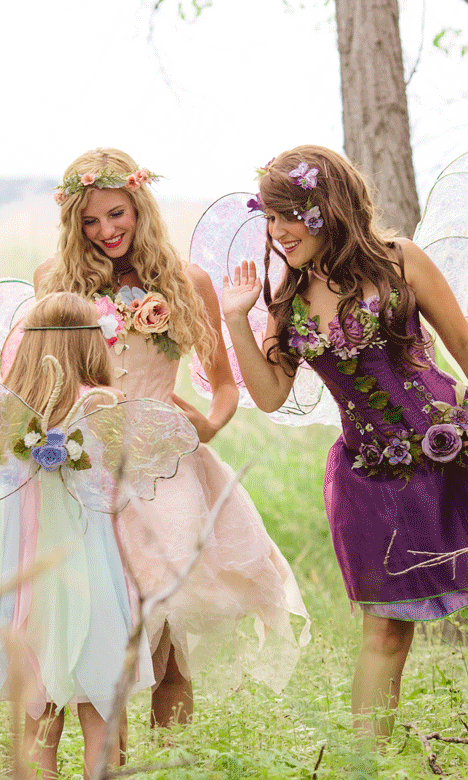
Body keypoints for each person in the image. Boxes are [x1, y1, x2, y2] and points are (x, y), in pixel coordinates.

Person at [220, 145, 468, 741]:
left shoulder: (400, 262)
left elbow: (463, 342)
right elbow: (273, 394)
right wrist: (237, 319)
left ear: (327, 208)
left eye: (289, 215)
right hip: (372, 478)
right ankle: (372, 764)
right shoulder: (285, 299)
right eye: (271, 217)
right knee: (386, 630)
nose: (278, 231)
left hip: (457, 452)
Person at [35, 148, 307, 728]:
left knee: (172, 626)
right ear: (72, 223)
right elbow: (49, 377)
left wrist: (206, 424)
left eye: (117, 213)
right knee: (94, 622)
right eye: (89, 220)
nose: (106, 230)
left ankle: (169, 756)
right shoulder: (54, 284)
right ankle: (95, 752)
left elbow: (225, 386)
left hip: (166, 469)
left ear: (139, 204)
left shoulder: (187, 282)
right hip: (88, 465)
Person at [0, 291, 195, 778]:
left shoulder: (4, 415)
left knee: (37, 723)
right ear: (93, 345)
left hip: (25, 582)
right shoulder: (103, 406)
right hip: (90, 580)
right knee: (104, 720)